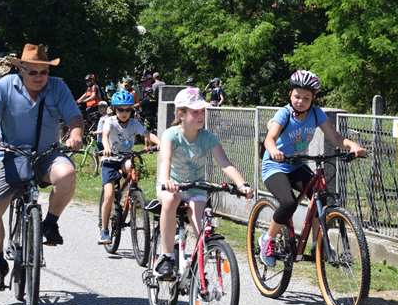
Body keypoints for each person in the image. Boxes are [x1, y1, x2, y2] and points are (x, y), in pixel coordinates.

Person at [0, 43, 84, 291]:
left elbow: (74, 117)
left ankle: (50, 222)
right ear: (21, 70)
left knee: (67, 174)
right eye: (32, 72)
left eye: (43, 72)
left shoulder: (58, 87)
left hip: (47, 154)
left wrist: (75, 133)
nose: (38, 77)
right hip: (10, 155)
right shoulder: (4, 86)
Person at [258, 70, 365, 266]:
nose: (300, 101)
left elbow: (335, 137)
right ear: (290, 94)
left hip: (297, 164)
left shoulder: (316, 114)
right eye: (297, 96)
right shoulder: (284, 114)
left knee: (321, 200)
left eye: (306, 98)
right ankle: (267, 240)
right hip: (275, 166)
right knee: (288, 203)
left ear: (313, 99)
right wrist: (273, 150)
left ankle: (319, 245)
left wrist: (352, 146)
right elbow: (269, 139)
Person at [154, 87, 253, 280]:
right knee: (171, 200)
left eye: (202, 111)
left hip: (195, 186)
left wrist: (242, 184)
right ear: (181, 114)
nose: (200, 115)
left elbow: (225, 164)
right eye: (195, 112)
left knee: (199, 221)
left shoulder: (208, 137)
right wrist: (167, 180)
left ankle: (198, 262)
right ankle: (166, 256)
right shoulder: (171, 135)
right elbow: (165, 160)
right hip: (171, 185)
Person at [98, 90, 160, 244]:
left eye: (128, 109)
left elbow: (146, 134)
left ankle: (131, 194)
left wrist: (161, 143)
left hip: (125, 158)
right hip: (110, 159)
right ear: (114, 109)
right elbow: (105, 135)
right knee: (109, 194)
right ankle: (104, 230)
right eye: (120, 109)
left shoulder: (134, 123)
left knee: (130, 166)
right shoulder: (110, 121)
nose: (124, 113)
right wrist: (106, 147)